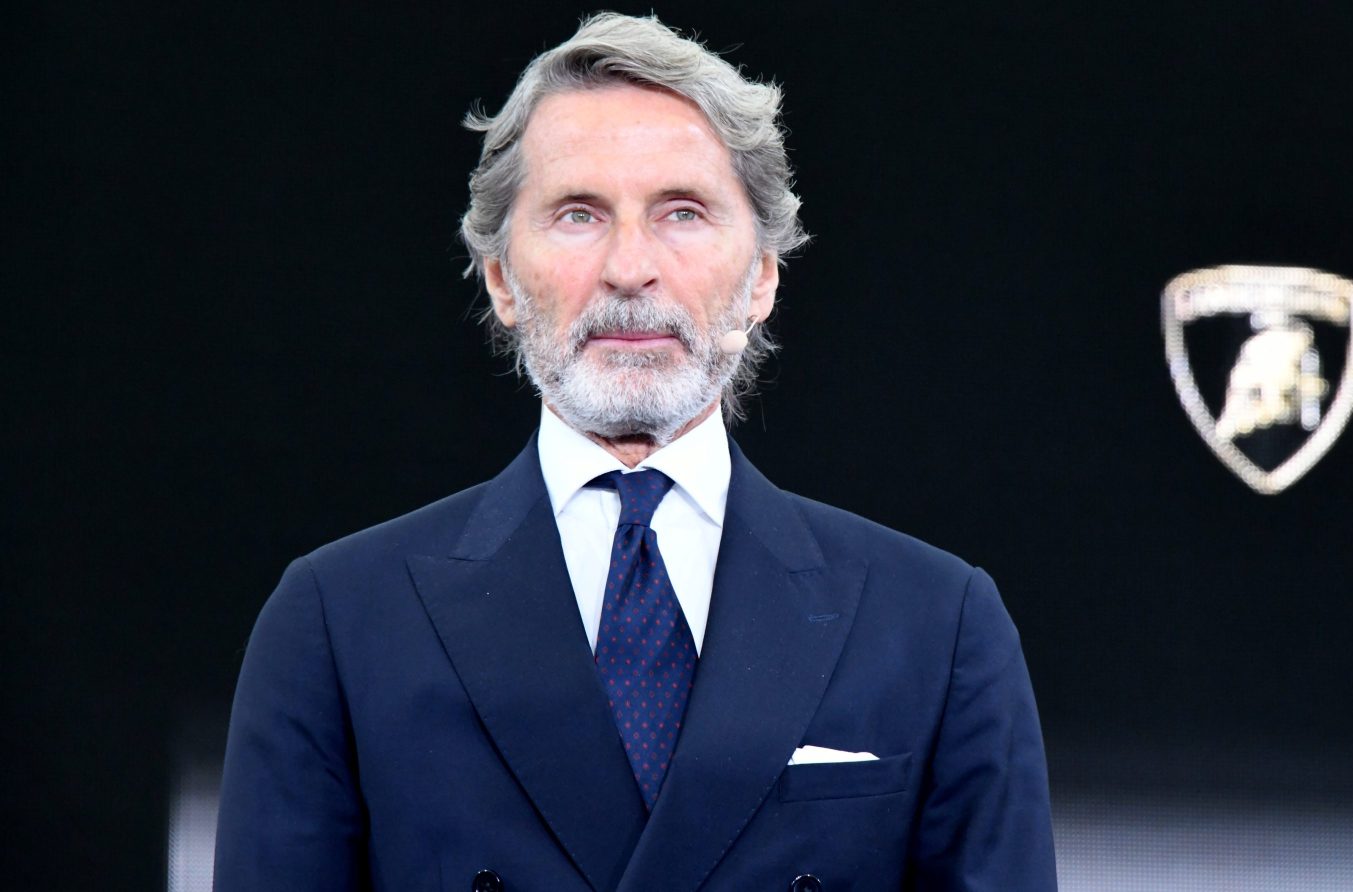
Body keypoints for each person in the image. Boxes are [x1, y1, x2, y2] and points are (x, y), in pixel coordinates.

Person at [214, 13, 1056, 892]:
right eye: (578, 215)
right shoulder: (336, 623)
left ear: (762, 274)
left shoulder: (937, 625)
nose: (630, 266)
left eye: (682, 213)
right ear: (501, 277)